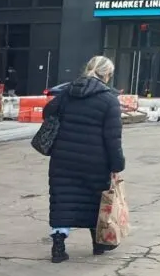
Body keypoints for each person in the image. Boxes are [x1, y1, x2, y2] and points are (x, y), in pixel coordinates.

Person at [42, 55, 125, 263]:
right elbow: (113, 138)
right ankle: (99, 243)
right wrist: (117, 164)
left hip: (63, 158)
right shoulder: (109, 100)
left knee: (62, 201)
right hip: (95, 161)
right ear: (107, 74)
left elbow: (48, 111)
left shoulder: (67, 93)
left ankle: (58, 246)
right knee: (94, 201)